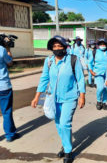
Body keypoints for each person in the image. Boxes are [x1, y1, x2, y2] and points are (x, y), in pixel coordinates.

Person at [31, 35, 85, 163]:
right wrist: (36, 97)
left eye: (60, 46)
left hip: (70, 97)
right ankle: (66, 144)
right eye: (54, 46)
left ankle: (68, 151)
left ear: (65, 47)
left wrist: (82, 96)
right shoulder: (48, 61)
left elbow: (80, 78)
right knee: (58, 124)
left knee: (65, 123)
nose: (57, 48)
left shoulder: (73, 59)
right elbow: (44, 79)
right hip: (53, 98)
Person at [88, 38, 107, 110]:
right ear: (98, 45)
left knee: (106, 89)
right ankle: (98, 101)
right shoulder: (95, 52)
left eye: (104, 44)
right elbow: (89, 62)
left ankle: (104, 102)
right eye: (101, 44)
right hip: (98, 73)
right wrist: (91, 71)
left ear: (106, 45)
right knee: (100, 88)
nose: (102, 45)